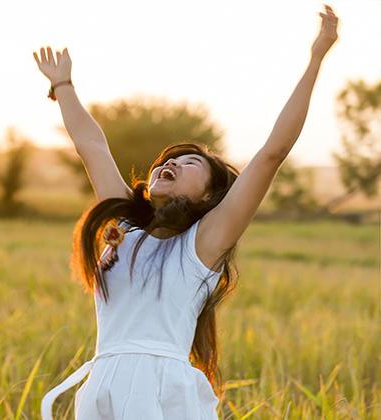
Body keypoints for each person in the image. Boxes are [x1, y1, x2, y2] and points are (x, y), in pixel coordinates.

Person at [33, 4, 338, 419]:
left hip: (161, 391)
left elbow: (272, 153)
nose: (170, 163)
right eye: (167, 161)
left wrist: (316, 58)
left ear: (209, 196)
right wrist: (63, 85)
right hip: (103, 388)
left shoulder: (203, 246)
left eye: (190, 163)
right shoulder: (125, 227)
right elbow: (92, 146)